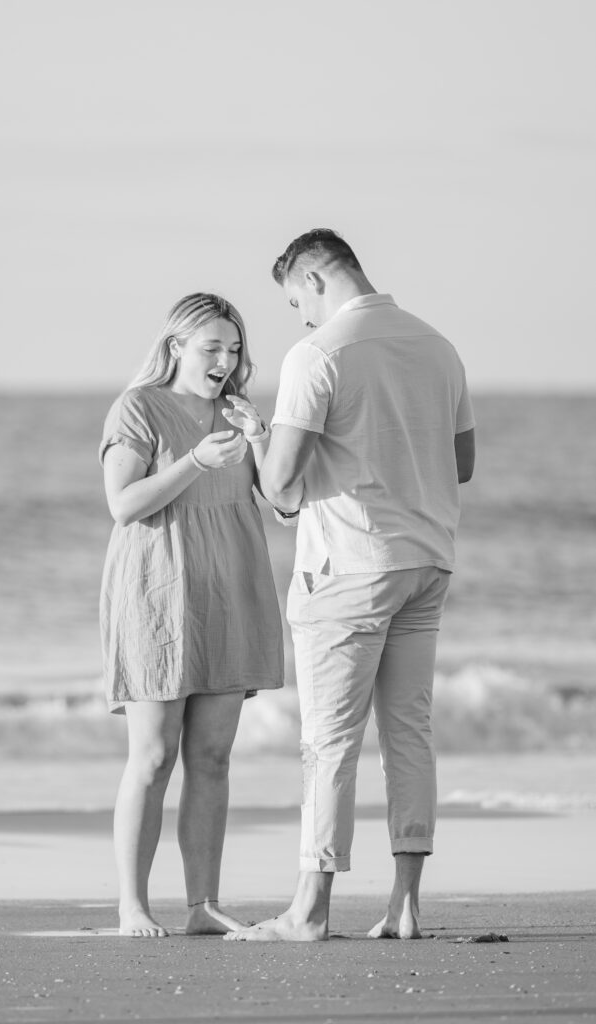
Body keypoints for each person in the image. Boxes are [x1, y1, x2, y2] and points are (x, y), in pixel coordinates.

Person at [226, 229, 475, 942]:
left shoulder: (317, 354)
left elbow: (278, 484)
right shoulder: (437, 345)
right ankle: (404, 904)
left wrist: (256, 434)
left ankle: (309, 908)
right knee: (408, 734)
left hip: (350, 567)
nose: (298, 316)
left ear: (312, 276)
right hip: (426, 561)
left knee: (328, 743)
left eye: (295, 299)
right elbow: (459, 461)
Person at [99, 292, 284, 938]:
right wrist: (194, 461)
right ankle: (133, 906)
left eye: (234, 350)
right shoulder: (139, 407)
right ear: (176, 346)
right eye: (212, 348)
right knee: (152, 756)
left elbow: (283, 502)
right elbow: (123, 504)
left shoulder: (236, 413)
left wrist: (260, 437)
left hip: (230, 587)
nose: (225, 360)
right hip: (157, 589)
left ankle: (202, 904)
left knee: (212, 758)